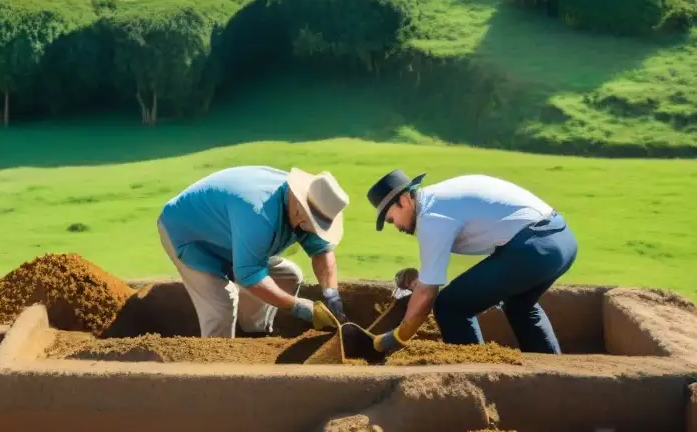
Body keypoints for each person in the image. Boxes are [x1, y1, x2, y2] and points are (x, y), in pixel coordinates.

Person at [366, 170, 577, 355]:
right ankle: (551, 373)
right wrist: (418, 282)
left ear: (404, 201)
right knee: (519, 305)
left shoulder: (431, 218)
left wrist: (395, 337)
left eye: (392, 220)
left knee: (451, 306)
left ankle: (474, 376)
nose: (397, 227)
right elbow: (427, 282)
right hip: (561, 241)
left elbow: (428, 293)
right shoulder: (438, 199)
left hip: (534, 249)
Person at [158, 166, 350, 337]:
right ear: (301, 214)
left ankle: (253, 334)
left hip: (230, 236)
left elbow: (322, 252)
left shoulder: (307, 202)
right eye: (316, 224)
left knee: (289, 276)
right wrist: (299, 307)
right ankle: (215, 370)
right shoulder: (259, 214)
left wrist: (331, 293)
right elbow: (250, 276)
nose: (317, 230)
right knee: (222, 307)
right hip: (190, 234)